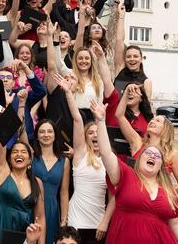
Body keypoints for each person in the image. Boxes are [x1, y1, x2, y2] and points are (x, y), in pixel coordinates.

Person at [90, 99, 178, 243]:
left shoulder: (168, 190)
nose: (152, 156)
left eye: (157, 156)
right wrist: (100, 121)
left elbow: (176, 224)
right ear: (138, 159)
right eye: (147, 153)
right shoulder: (127, 176)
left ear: (161, 166)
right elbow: (106, 153)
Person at [53, 73, 114, 243]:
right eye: (90, 133)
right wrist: (68, 93)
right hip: (76, 221)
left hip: (99, 224)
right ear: (86, 138)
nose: (94, 135)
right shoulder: (80, 154)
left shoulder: (110, 160)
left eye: (97, 132)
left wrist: (105, 221)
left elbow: (113, 196)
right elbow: (78, 120)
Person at [115, 84, 178, 194]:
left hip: (158, 199)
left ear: (165, 129)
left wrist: (162, 190)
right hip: (135, 195)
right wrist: (126, 92)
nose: (152, 121)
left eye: (158, 121)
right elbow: (119, 115)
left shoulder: (171, 155)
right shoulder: (138, 142)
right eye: (152, 120)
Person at [0, 140, 46, 244]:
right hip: (1, 230)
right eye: (15, 151)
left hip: (26, 235)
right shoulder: (2, 174)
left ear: (30, 160)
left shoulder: (37, 182)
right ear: (9, 159)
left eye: (24, 151)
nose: (19, 154)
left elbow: (40, 217)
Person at [31, 119, 70, 244]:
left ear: (55, 135)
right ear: (36, 136)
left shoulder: (64, 161)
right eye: (42, 132)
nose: (46, 135)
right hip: (32, 206)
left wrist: (64, 220)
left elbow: (64, 193)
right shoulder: (31, 157)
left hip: (53, 210)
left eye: (49, 131)